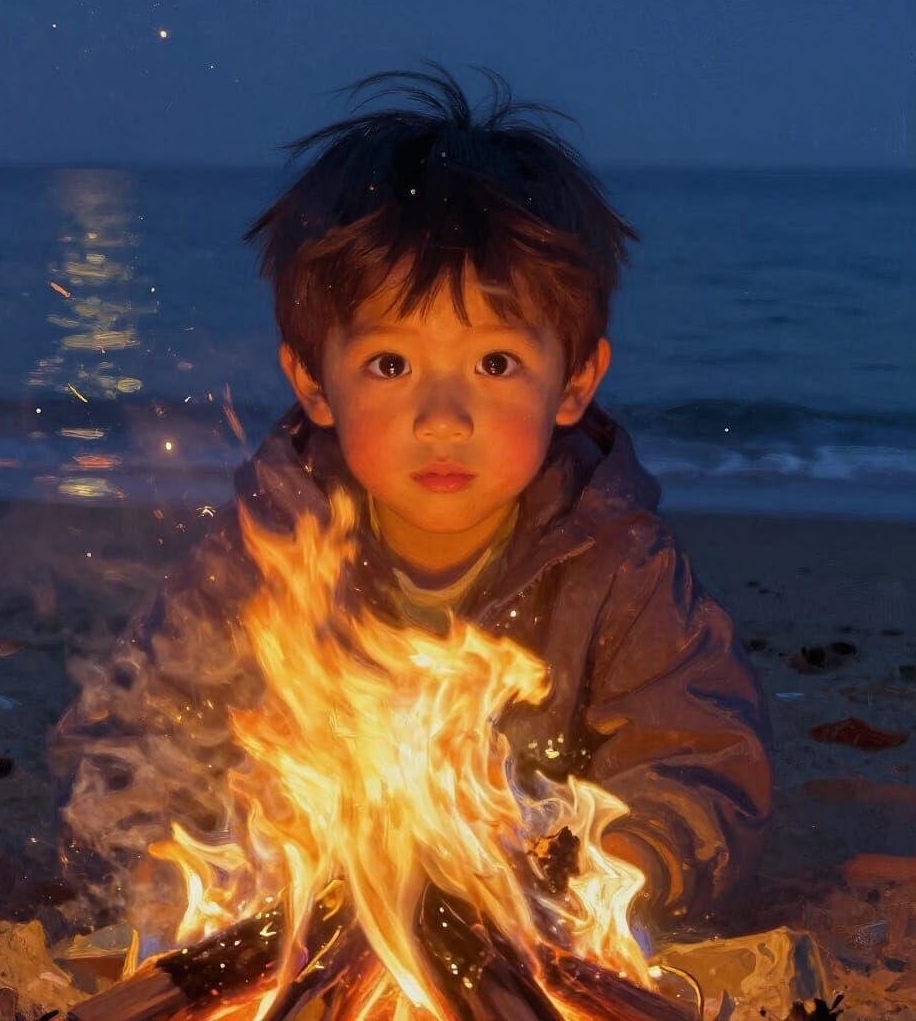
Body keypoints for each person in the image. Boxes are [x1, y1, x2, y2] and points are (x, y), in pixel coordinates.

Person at [52, 63, 772, 950]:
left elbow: (700, 754)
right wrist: (180, 876)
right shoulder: (269, 552)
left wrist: (615, 873)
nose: (443, 418)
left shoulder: (617, 562)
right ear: (314, 382)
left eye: (495, 364)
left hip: (527, 922)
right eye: (390, 365)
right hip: (304, 913)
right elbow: (134, 732)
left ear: (575, 382)